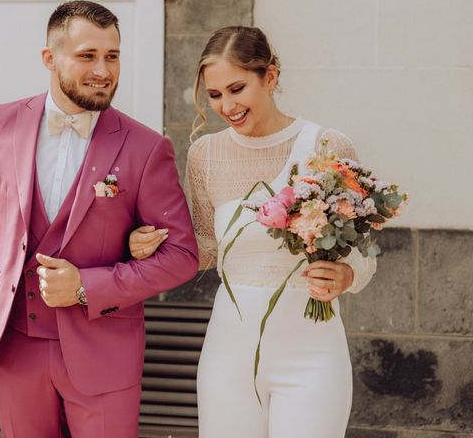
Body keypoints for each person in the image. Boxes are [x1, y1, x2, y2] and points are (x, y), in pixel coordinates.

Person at [0, 0, 199, 438]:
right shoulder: (2, 123)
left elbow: (183, 255)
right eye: (87, 56)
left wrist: (89, 287)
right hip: (15, 345)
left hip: (104, 350)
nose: (103, 70)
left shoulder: (146, 147)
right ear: (49, 58)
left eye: (112, 57)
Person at [129, 26, 377, 437]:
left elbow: (362, 252)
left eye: (237, 88)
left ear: (271, 77)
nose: (226, 105)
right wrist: (147, 245)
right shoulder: (205, 154)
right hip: (229, 353)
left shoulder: (327, 146)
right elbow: (206, 249)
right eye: (214, 95)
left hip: (311, 353)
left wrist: (347, 275)